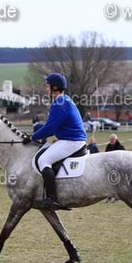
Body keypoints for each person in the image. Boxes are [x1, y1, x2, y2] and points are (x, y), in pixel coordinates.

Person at [23, 73, 87, 210]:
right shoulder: (64, 100)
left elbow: (49, 128)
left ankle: (52, 199)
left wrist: (31, 138)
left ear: (55, 87)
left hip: (72, 141)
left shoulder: (59, 103)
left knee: (43, 160)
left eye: (48, 86)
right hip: (69, 139)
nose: (46, 88)